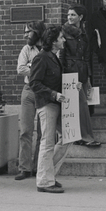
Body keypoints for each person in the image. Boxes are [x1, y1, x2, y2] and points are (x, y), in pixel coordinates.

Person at [29, 26, 77, 193]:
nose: (64, 40)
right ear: (54, 41)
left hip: (55, 103)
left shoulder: (54, 57)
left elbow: (58, 80)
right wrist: (54, 94)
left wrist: (72, 87)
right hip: (47, 104)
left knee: (67, 137)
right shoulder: (41, 58)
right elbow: (34, 83)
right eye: (61, 38)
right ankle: (44, 181)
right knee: (47, 142)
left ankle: (48, 174)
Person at [61, 4, 101, 147]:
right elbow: (61, 56)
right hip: (70, 74)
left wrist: (88, 77)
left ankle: (80, 136)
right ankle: (86, 137)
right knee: (81, 105)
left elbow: (87, 56)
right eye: (68, 15)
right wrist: (65, 76)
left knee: (83, 105)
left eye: (73, 15)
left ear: (80, 17)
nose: (69, 17)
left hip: (82, 73)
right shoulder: (64, 32)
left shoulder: (83, 33)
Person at [15, 21, 47, 180]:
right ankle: (24, 168)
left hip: (44, 93)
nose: (25, 35)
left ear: (38, 32)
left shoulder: (49, 49)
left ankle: (37, 167)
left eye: (28, 32)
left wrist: (31, 67)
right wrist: (40, 72)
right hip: (28, 91)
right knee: (25, 131)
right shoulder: (26, 49)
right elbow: (20, 69)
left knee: (43, 133)